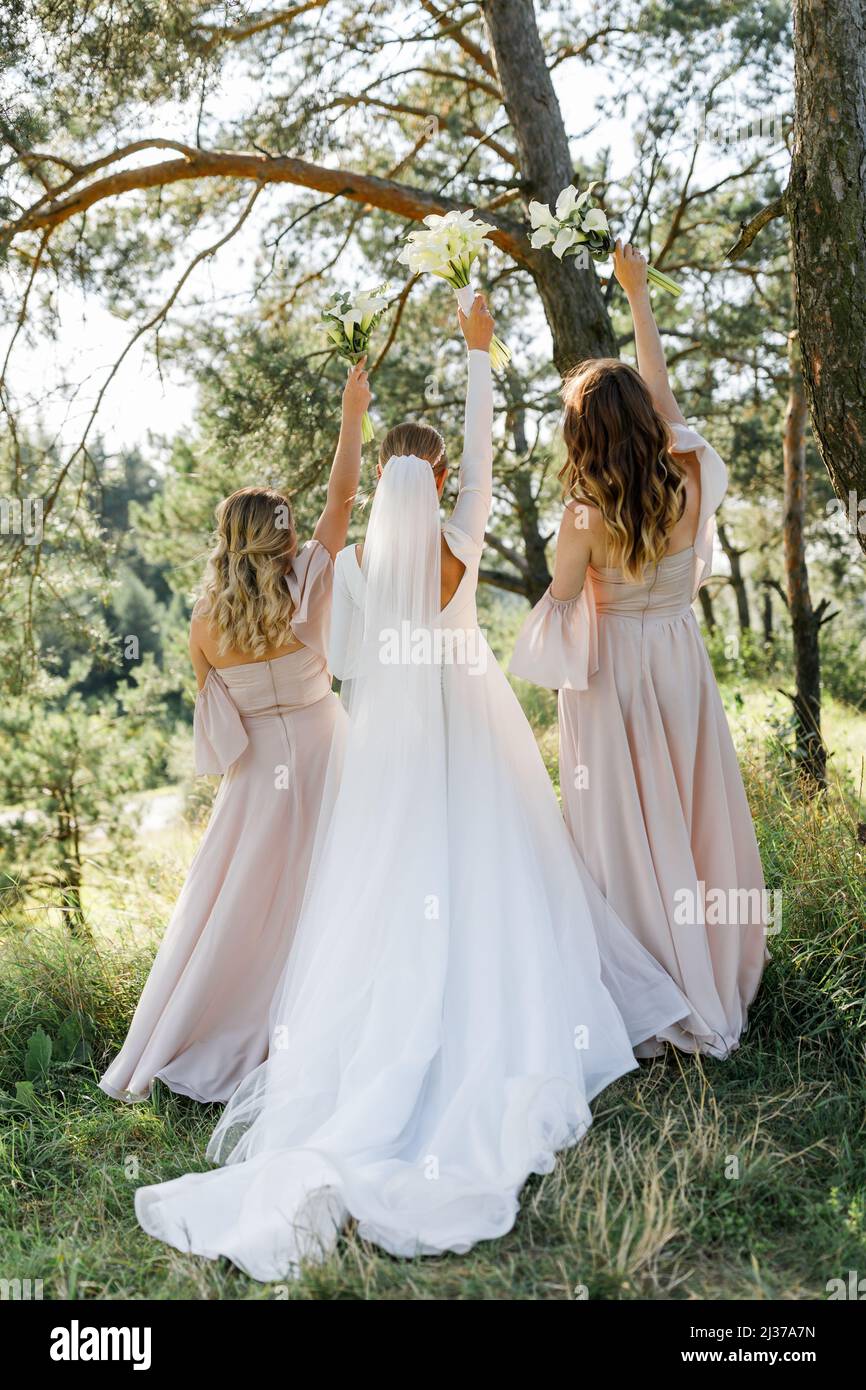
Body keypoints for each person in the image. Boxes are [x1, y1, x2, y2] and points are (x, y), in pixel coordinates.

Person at [134, 295, 687, 1280]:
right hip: (473, 733)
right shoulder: (460, 542)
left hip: (385, 753)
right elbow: (479, 459)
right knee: (499, 873)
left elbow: (338, 649)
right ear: (430, 482)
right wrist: (478, 358)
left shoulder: (343, 568)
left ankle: (387, 1058)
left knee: (390, 895)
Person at [511, 243, 767, 1058]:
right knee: (690, 816)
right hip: (678, 659)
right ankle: (707, 972)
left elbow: (560, 602)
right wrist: (637, 298)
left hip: (613, 672)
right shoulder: (688, 473)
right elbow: (661, 397)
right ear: (650, 424)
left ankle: (647, 981)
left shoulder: (584, 515)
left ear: (581, 433)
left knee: (625, 831)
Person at [98, 360, 371, 1102]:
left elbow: (215, 720)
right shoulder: (310, 577)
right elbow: (343, 495)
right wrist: (354, 409)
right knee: (340, 887)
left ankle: (209, 1031)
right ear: (283, 538)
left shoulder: (204, 625)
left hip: (256, 775)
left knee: (241, 909)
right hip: (328, 750)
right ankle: (340, 1021)